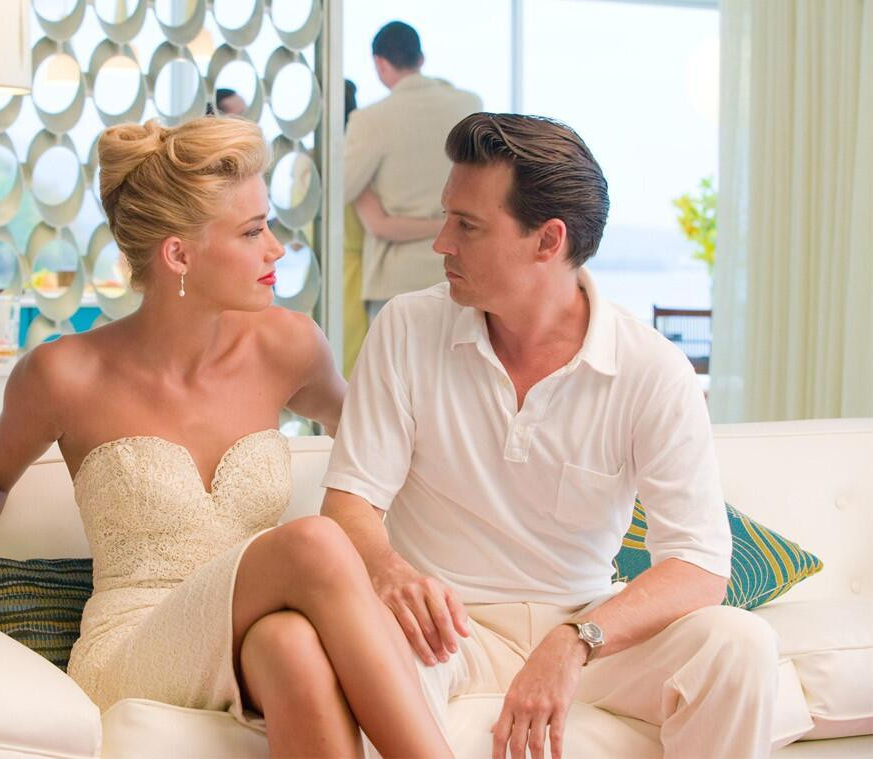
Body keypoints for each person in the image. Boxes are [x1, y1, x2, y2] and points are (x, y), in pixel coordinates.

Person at [0, 117, 452, 759]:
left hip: (255, 629)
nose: (276, 250)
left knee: (293, 646)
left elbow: (377, 448)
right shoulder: (65, 373)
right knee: (313, 542)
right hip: (135, 640)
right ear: (179, 255)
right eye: (253, 232)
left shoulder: (290, 346)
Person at [322, 113, 784, 759]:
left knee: (741, 645)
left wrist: (578, 638)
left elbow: (699, 565)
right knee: (368, 653)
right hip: (442, 634)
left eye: (467, 226)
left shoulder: (651, 370)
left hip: (585, 634)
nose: (441, 243)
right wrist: (389, 570)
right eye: (447, 217)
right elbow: (350, 502)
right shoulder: (405, 328)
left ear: (548, 240)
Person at [345, 21, 481, 322]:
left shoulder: (370, 119)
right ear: (420, 58)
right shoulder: (469, 104)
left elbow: (338, 190)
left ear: (380, 63)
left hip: (398, 278)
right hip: (463, 267)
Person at [343, 79, 444, 376]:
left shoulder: (348, 173)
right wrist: (445, 225)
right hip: (358, 277)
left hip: (370, 278)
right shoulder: (462, 103)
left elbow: (380, 226)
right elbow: (379, 226)